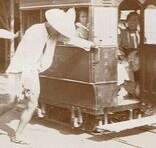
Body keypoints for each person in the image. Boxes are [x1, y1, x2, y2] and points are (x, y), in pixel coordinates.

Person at [0, 8, 96, 144]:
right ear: (52, 25)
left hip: (32, 72)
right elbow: (27, 58)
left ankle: (18, 135)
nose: (60, 33)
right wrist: (27, 83)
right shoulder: (35, 31)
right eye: (59, 30)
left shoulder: (53, 34)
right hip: (21, 70)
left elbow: (70, 39)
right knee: (11, 102)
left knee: (32, 104)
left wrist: (90, 44)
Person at [118, 12, 140, 98]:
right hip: (124, 57)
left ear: (138, 22)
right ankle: (128, 91)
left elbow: (143, 47)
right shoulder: (122, 33)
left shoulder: (140, 34)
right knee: (125, 67)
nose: (133, 22)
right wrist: (123, 57)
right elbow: (118, 47)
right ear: (127, 21)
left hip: (138, 58)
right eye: (131, 20)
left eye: (135, 20)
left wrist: (136, 54)